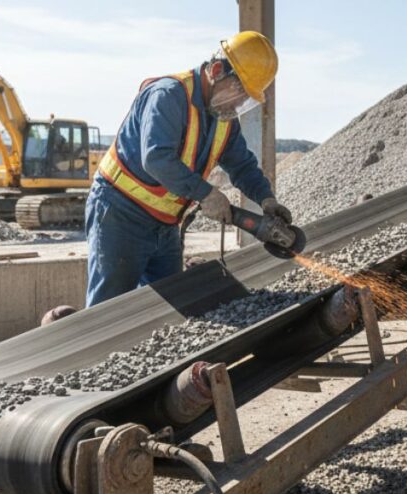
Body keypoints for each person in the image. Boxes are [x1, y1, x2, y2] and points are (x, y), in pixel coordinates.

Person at [85, 31, 294, 306]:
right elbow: (156, 158)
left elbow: (242, 165)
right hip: (120, 215)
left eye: (247, 98)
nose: (240, 104)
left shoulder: (223, 118)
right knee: (107, 312)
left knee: (167, 313)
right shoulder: (168, 96)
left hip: (166, 224)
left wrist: (266, 198)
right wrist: (207, 194)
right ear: (217, 71)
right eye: (239, 91)